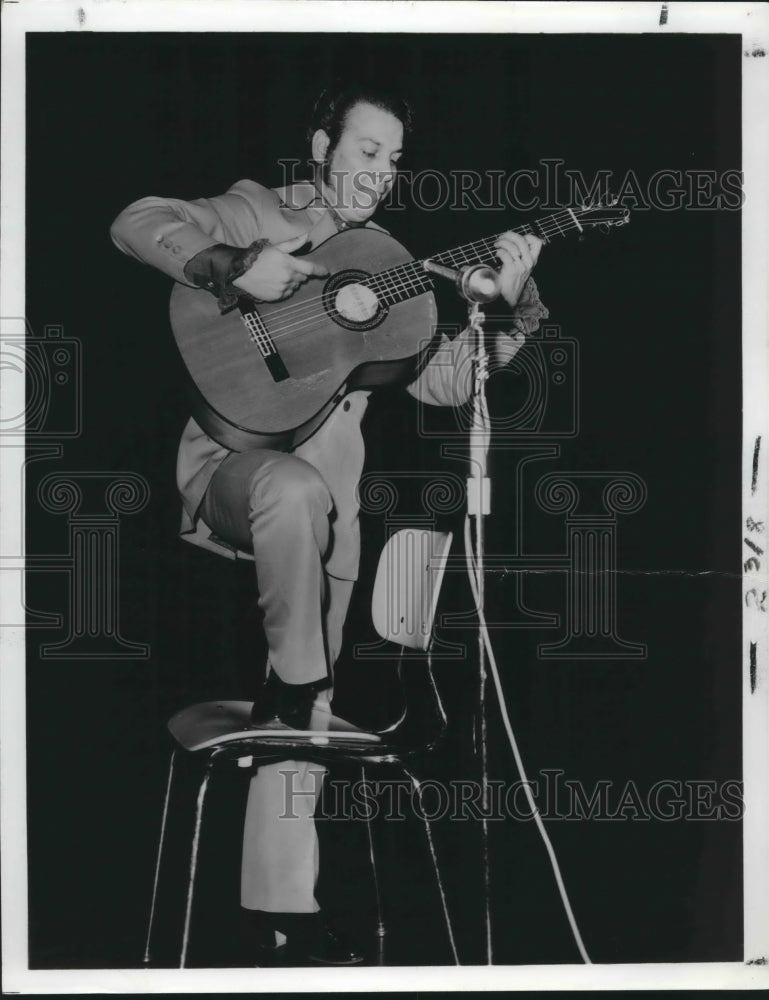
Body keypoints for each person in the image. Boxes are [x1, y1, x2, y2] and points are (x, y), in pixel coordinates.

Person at [110, 80, 547, 966]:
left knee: (303, 712)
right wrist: (228, 266)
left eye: (391, 161)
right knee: (294, 503)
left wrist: (514, 307)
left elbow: (443, 382)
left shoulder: (389, 261)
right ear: (320, 147)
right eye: (363, 153)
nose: (378, 176)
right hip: (236, 468)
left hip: (330, 516)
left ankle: (280, 918)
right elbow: (135, 218)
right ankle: (299, 692)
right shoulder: (256, 209)